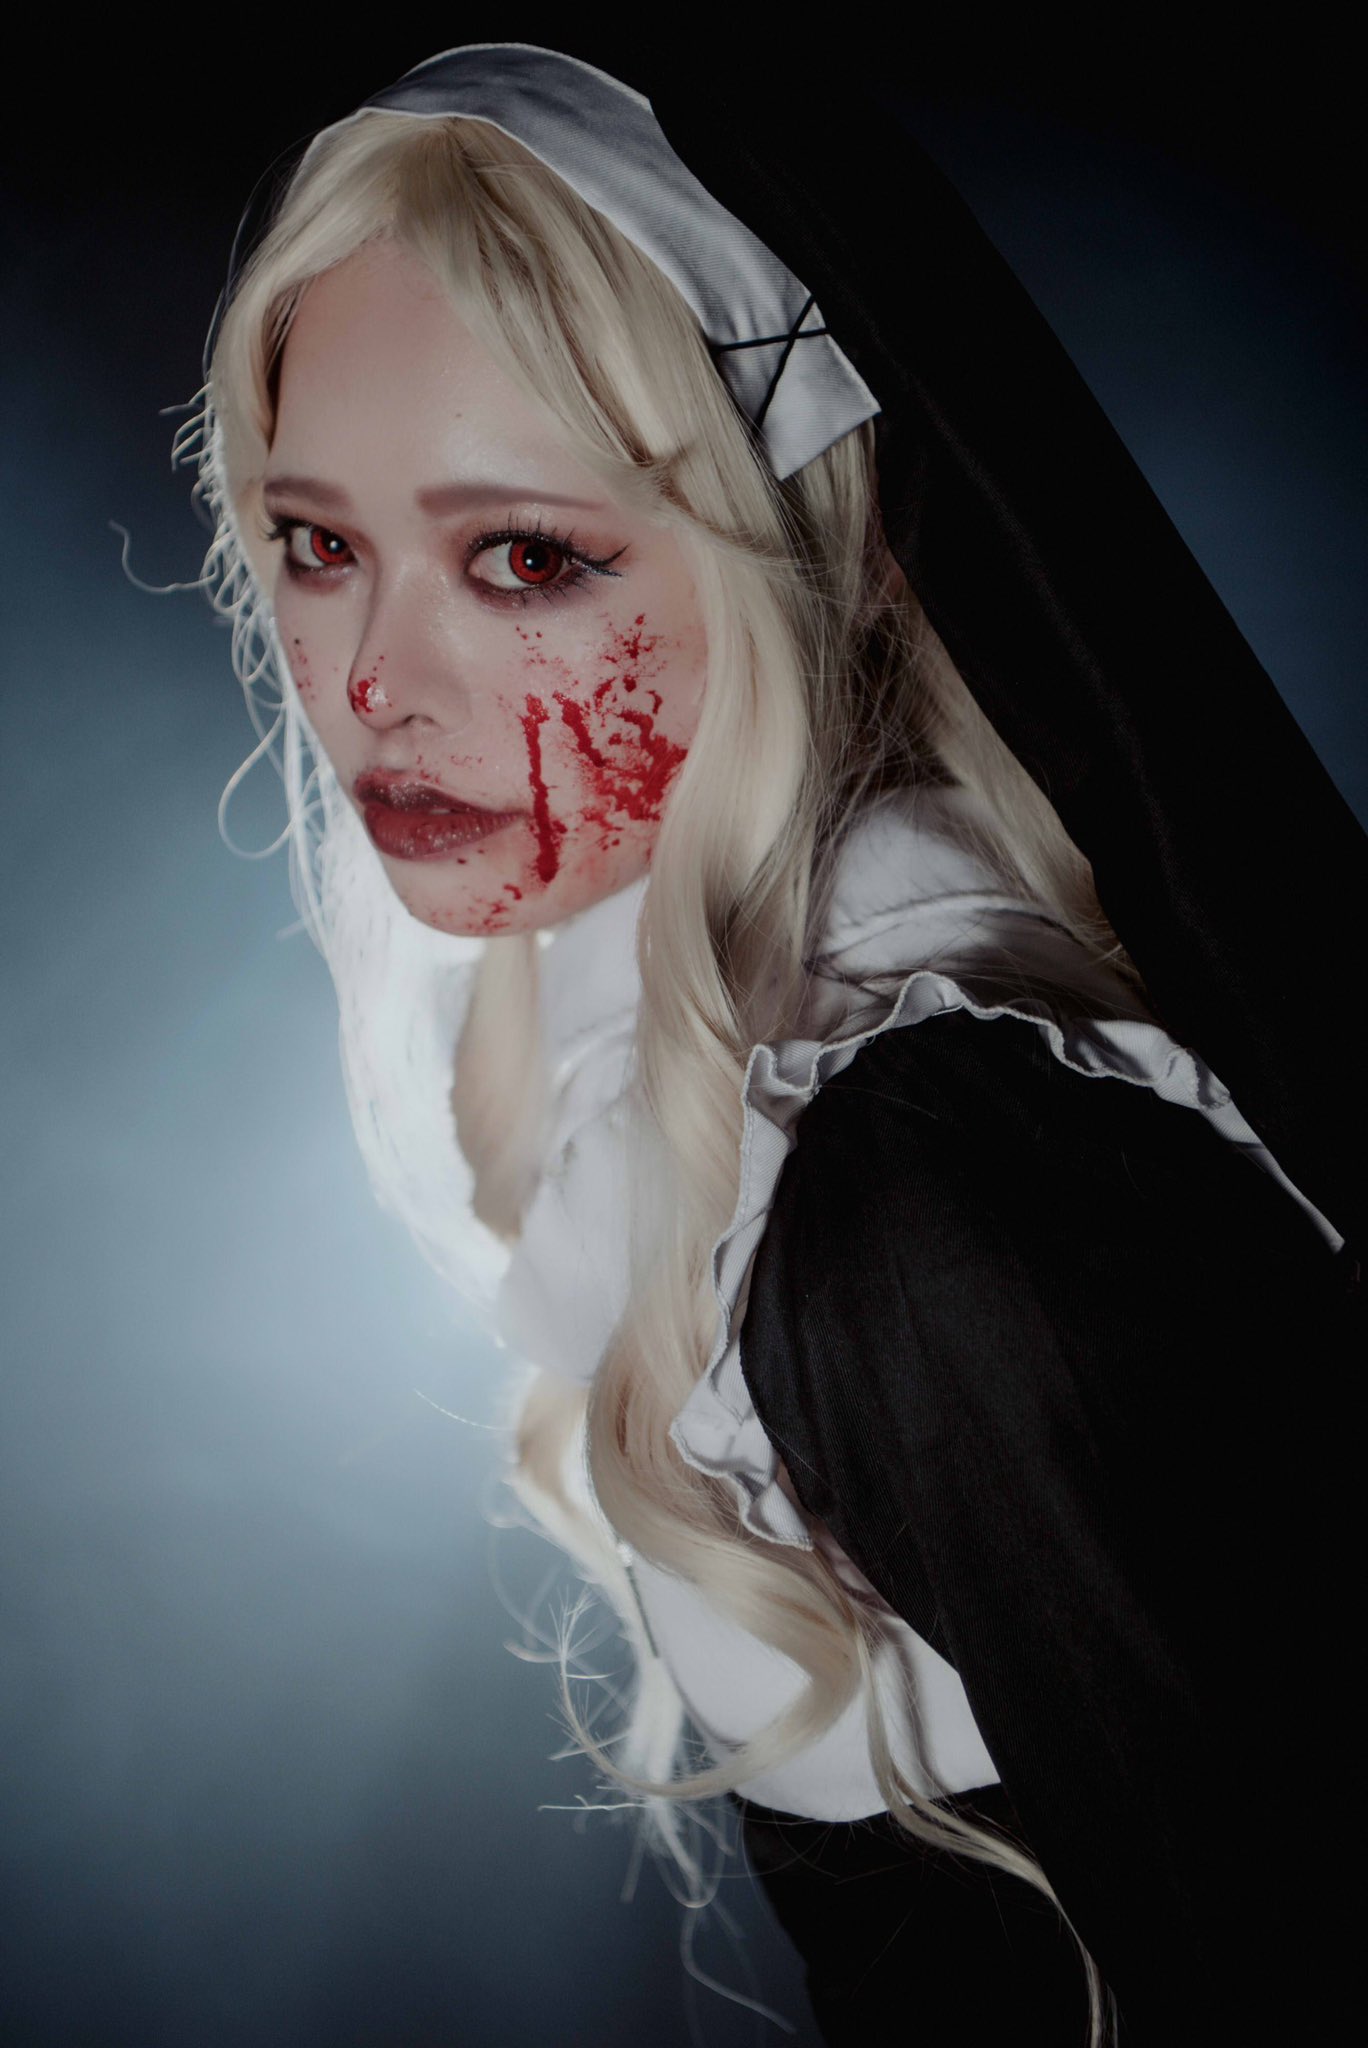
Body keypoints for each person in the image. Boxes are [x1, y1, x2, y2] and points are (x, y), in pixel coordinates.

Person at [187, 40, 1363, 2047]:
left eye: (524, 556)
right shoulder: (691, 1078)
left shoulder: (932, 1204)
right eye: (316, 544)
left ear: (810, 538)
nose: (372, 678)